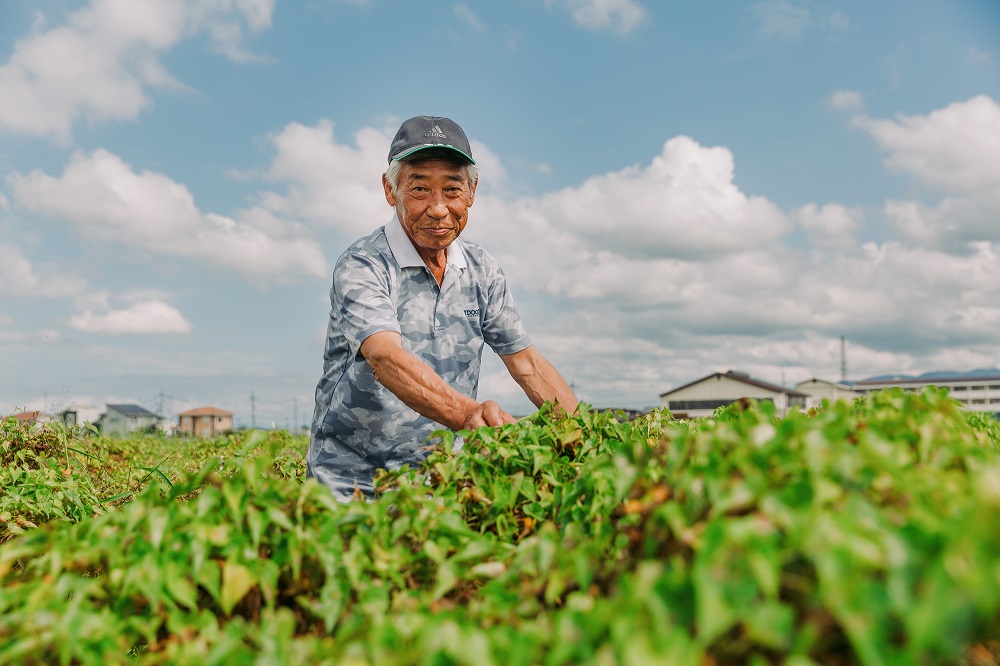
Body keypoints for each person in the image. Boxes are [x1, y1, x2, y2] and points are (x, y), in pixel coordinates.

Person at [307, 115, 577, 500]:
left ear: (472, 192)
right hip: (352, 487)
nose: (437, 208)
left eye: (452, 190)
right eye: (419, 189)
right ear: (390, 189)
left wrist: (580, 435)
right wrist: (469, 415)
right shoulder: (364, 264)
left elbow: (527, 364)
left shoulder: (481, 269)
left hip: (442, 484)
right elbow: (385, 357)